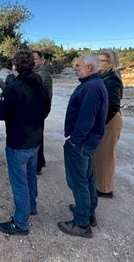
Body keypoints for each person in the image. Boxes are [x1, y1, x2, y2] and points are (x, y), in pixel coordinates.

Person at [0, 50, 50, 235]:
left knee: (19, 183)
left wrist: (2, 102)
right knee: (30, 177)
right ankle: (31, 207)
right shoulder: (40, 84)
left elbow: (0, 114)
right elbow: (46, 109)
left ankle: (21, 223)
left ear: (15, 66)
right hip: (35, 141)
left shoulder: (14, 87)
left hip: (18, 143)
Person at [58, 54, 108, 238]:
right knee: (87, 178)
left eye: (77, 65)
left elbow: (86, 120)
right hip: (88, 141)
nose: (74, 68)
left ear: (89, 68)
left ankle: (81, 224)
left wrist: (74, 141)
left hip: (81, 143)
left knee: (78, 182)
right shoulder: (93, 84)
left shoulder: (91, 88)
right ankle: (88, 212)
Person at [93, 49, 124, 198]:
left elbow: (112, 106)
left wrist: (100, 123)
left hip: (110, 121)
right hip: (106, 120)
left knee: (105, 156)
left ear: (110, 62)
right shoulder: (104, 76)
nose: (97, 63)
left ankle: (105, 189)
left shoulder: (112, 79)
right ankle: (99, 185)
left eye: (101, 60)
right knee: (99, 155)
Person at [32, 51, 53, 175]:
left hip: (38, 113)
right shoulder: (39, 72)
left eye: (35, 59)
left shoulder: (43, 74)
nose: (33, 61)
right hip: (37, 112)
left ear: (41, 60)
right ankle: (42, 160)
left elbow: (46, 97)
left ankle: (37, 166)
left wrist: (43, 113)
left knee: (37, 139)